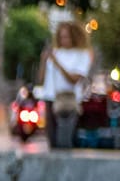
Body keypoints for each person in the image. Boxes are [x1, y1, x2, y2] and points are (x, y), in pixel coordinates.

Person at [39, 22, 92, 150]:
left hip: (68, 99)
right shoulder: (55, 52)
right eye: (61, 37)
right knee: (52, 139)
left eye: (66, 37)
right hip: (50, 98)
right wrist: (43, 61)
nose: (63, 40)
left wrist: (57, 63)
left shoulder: (82, 54)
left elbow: (74, 79)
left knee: (65, 140)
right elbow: (41, 79)